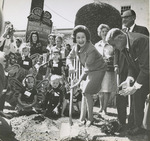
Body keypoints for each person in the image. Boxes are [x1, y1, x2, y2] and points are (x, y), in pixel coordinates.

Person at [105, 28, 149, 135]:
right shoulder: (124, 45)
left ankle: (147, 129)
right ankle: (139, 127)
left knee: (140, 93)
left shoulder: (139, 41)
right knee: (137, 95)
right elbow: (131, 65)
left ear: (120, 38)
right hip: (145, 74)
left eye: (114, 45)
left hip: (147, 71)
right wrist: (129, 79)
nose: (115, 48)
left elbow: (146, 67)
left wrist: (134, 87)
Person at [115, 9, 149, 131]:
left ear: (133, 17)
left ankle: (135, 122)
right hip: (126, 68)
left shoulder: (142, 31)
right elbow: (117, 52)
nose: (123, 20)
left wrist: (135, 84)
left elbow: (145, 60)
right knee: (121, 93)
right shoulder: (121, 32)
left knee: (136, 94)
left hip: (140, 69)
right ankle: (122, 121)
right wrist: (116, 65)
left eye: (126, 17)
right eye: (122, 17)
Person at [66, 25, 107, 127]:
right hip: (89, 70)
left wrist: (77, 82)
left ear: (87, 37)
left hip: (98, 69)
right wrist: (71, 66)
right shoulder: (76, 47)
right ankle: (83, 118)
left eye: (83, 37)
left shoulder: (91, 49)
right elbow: (69, 58)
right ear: (75, 38)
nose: (80, 40)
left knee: (86, 91)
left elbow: (87, 69)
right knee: (85, 93)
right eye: (78, 37)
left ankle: (90, 119)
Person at [95, 24, 117, 115]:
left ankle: (105, 108)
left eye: (106, 31)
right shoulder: (97, 45)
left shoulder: (112, 44)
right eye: (102, 31)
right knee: (100, 89)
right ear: (99, 33)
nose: (104, 33)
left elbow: (115, 56)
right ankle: (100, 107)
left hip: (108, 69)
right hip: (98, 69)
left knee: (107, 89)